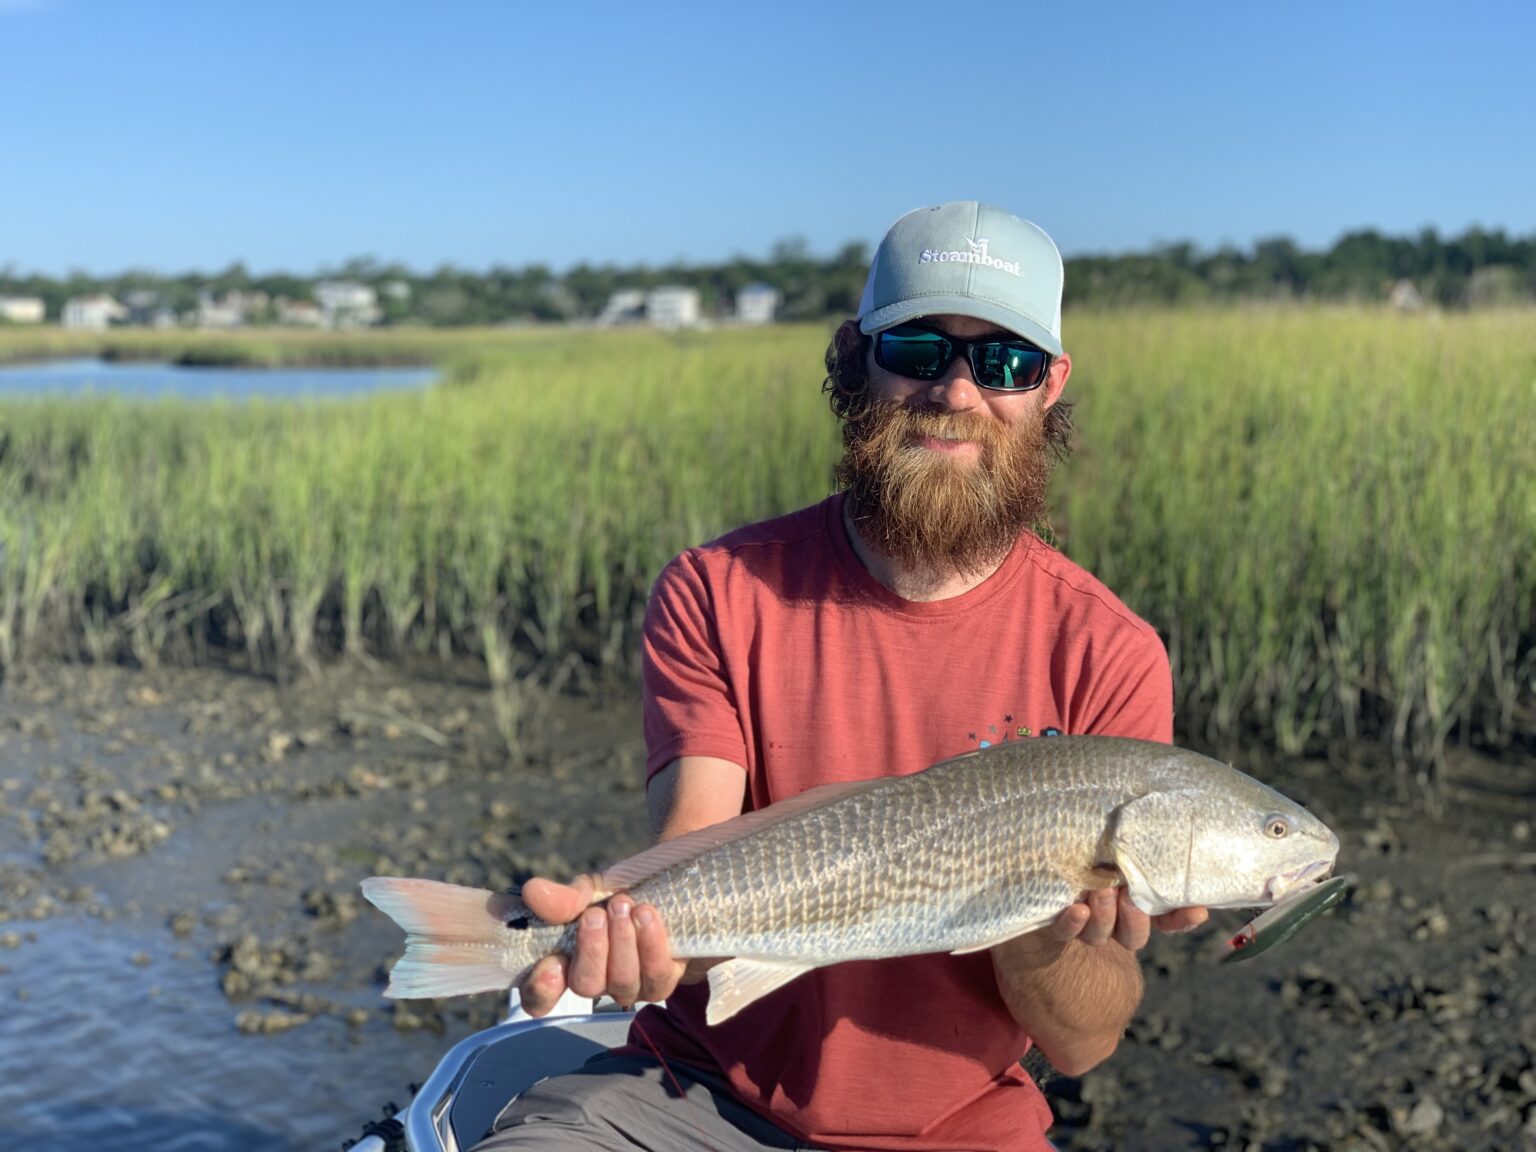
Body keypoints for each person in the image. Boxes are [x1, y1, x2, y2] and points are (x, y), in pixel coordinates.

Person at [474, 202, 1208, 1152]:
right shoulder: (718, 590)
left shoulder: (1109, 651)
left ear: (1050, 385)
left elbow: (1084, 1039)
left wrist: (1035, 924)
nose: (956, 391)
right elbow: (695, 852)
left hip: (961, 1127)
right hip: (689, 1096)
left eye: (1005, 363)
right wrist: (624, 938)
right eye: (918, 348)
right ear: (858, 359)